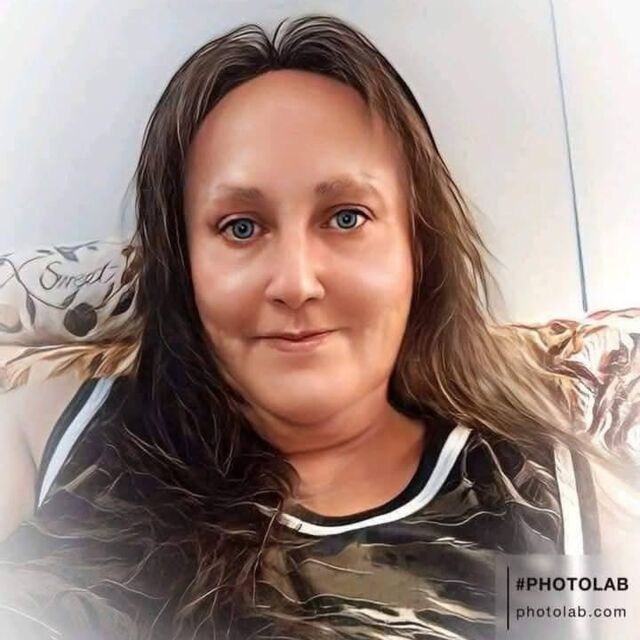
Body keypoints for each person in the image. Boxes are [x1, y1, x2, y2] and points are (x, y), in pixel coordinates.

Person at [0, 14, 636, 640]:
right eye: (240, 227)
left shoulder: (555, 513)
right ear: (182, 263)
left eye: (346, 217)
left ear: (416, 245)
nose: (296, 282)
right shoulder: (49, 437)